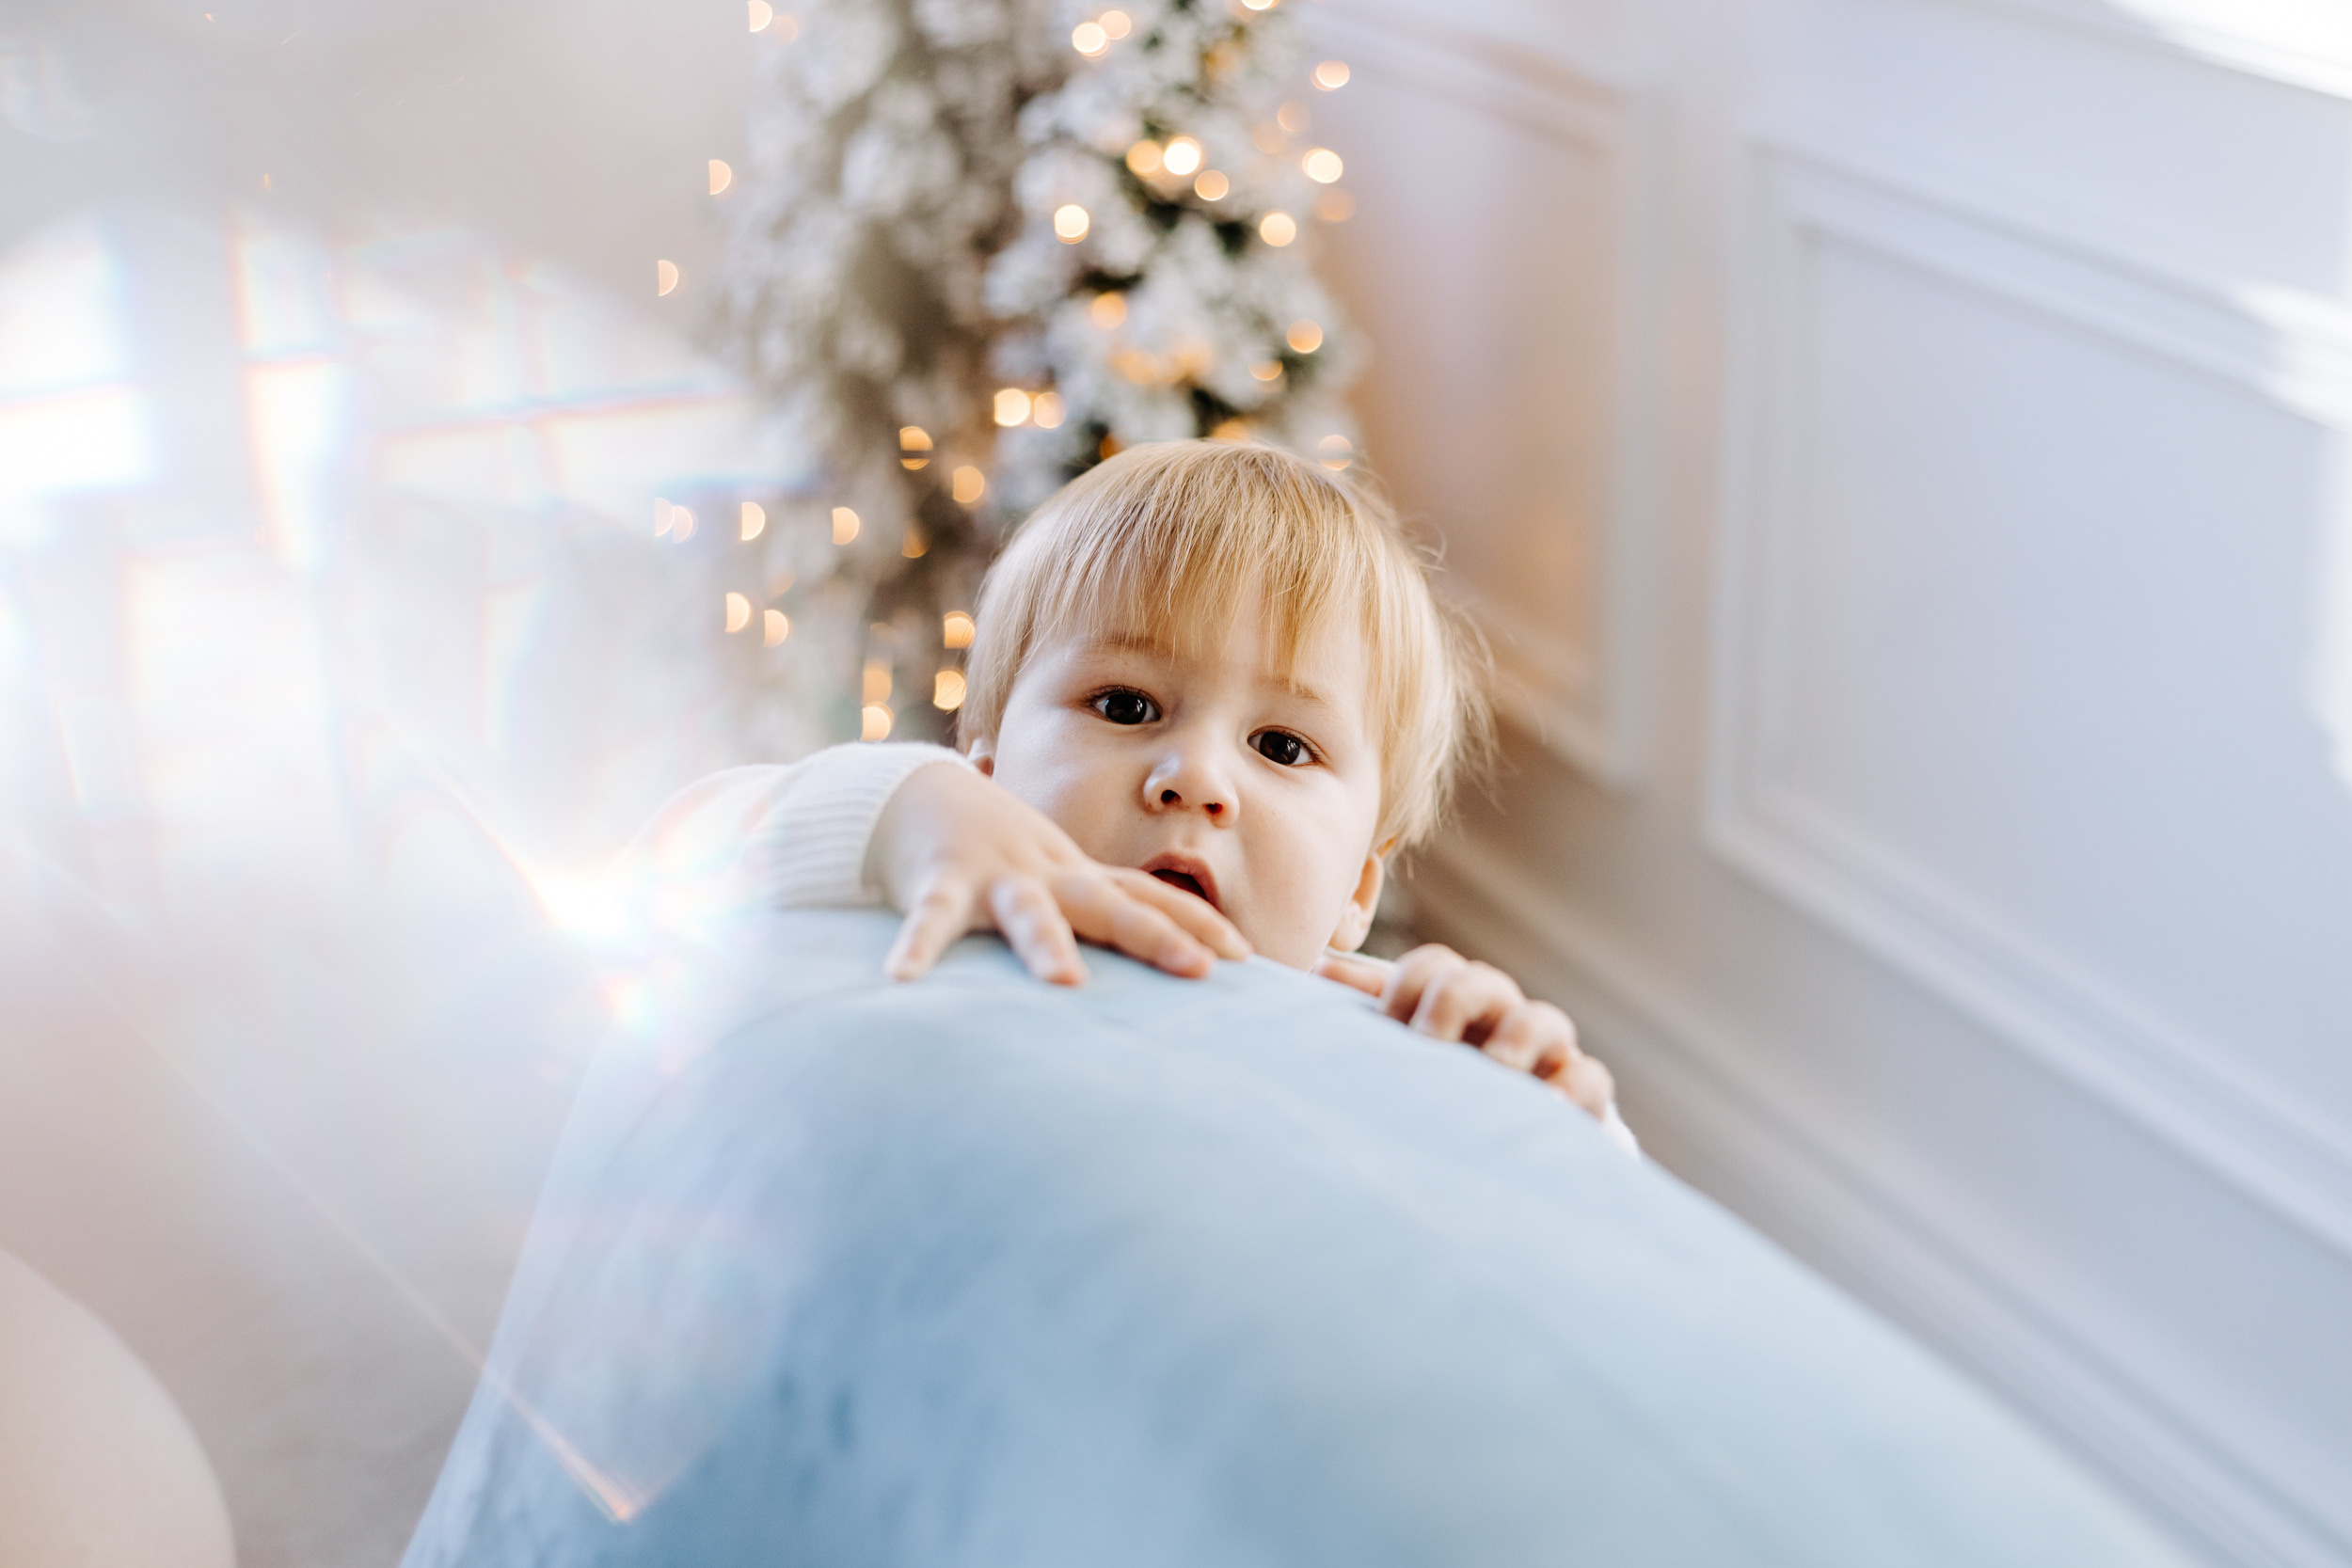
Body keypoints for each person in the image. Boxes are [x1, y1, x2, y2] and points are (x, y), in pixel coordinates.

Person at [626, 440, 1630, 1148]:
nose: (1194, 776)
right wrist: (907, 814)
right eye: (1124, 702)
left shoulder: (1372, 1033)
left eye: (1282, 744)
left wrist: (1543, 1107)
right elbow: (681, 851)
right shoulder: (953, 893)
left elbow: (1575, 1272)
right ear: (986, 773)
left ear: (1358, 893)